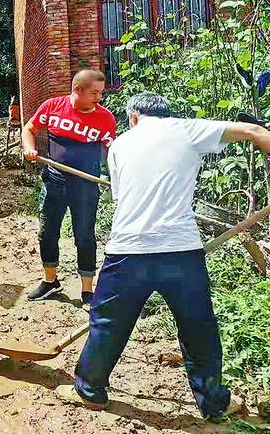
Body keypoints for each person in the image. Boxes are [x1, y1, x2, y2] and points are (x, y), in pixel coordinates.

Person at [57, 91, 262, 420]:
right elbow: (253, 131)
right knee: (198, 328)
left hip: (127, 252)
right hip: (181, 253)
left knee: (107, 323)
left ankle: (90, 390)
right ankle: (214, 404)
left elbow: (122, 199)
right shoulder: (188, 129)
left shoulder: (119, 144)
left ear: (133, 117)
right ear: (167, 114)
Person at [22, 69, 117, 306]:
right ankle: (50, 281)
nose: (99, 98)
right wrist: (29, 148)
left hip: (85, 185)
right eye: (94, 93)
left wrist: (118, 176)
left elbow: (113, 152)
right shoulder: (53, 107)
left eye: (101, 93)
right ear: (77, 89)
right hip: (54, 181)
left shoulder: (105, 118)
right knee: (47, 232)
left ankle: (87, 290)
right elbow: (29, 129)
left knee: (84, 235)